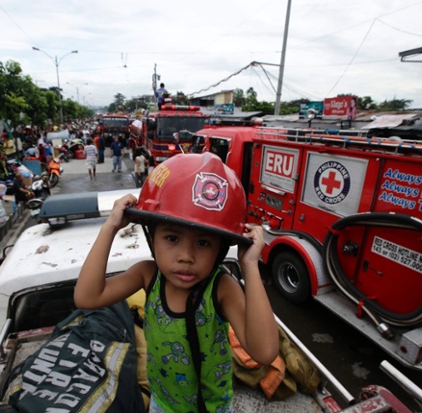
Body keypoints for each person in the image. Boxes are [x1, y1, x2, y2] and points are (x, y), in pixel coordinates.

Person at [74, 153, 278, 413]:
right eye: (172, 238)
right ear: (152, 237)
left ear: (220, 249)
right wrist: (110, 227)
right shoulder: (148, 276)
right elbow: (87, 298)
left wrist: (249, 265)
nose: (186, 256)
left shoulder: (220, 289)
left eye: (203, 243)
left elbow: (265, 352)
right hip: (162, 403)